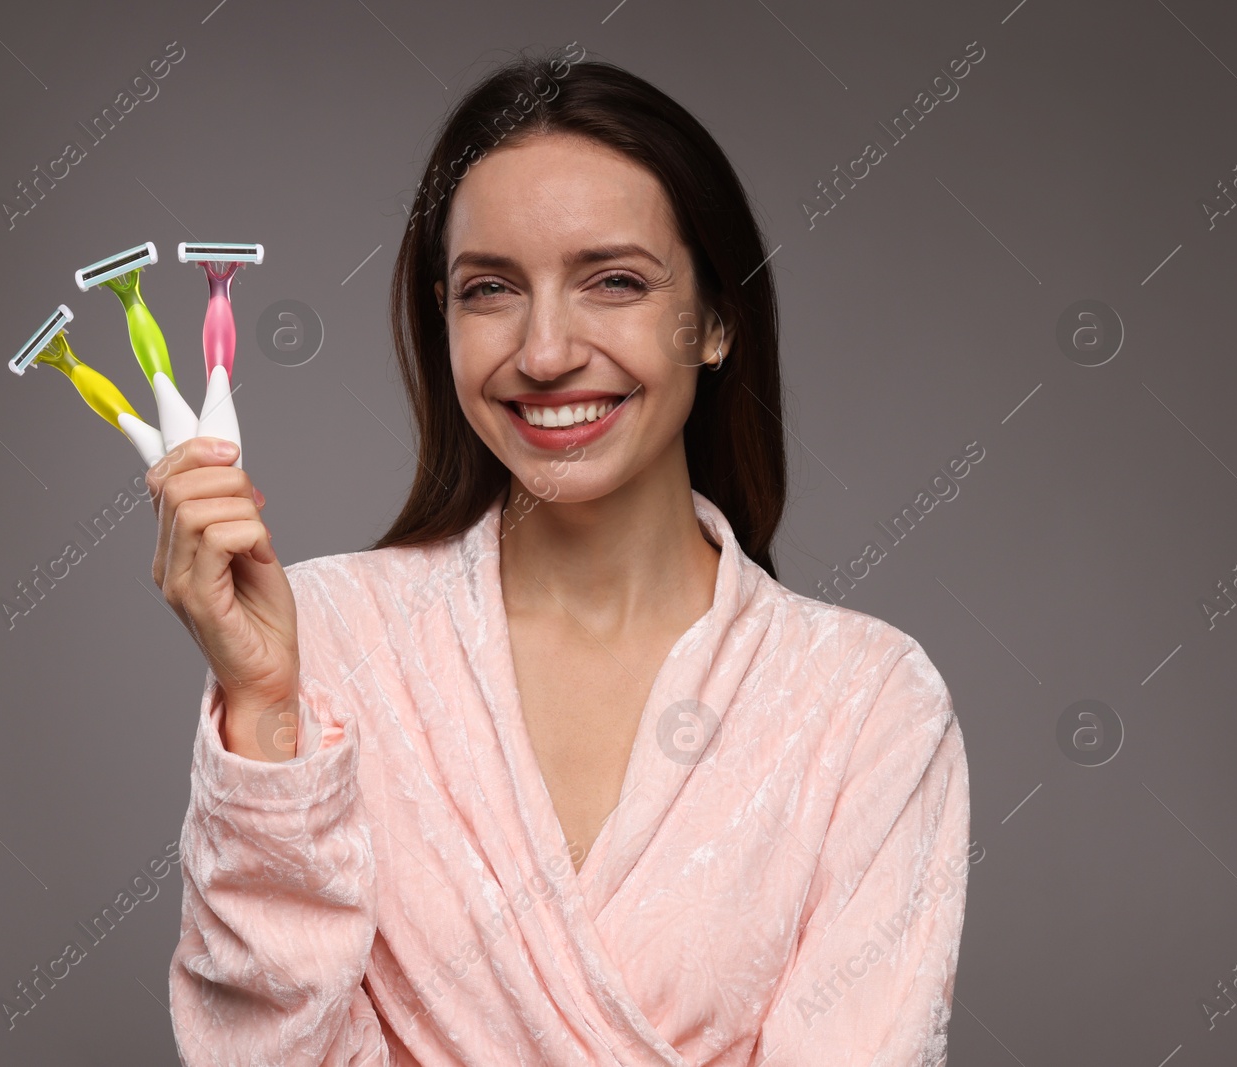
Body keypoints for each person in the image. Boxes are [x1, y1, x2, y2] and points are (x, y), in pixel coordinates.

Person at [146, 47, 970, 1066]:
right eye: (490, 289)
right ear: (438, 318)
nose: (543, 352)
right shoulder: (326, 638)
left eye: (612, 281)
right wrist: (267, 703)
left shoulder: (866, 702)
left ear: (714, 320)